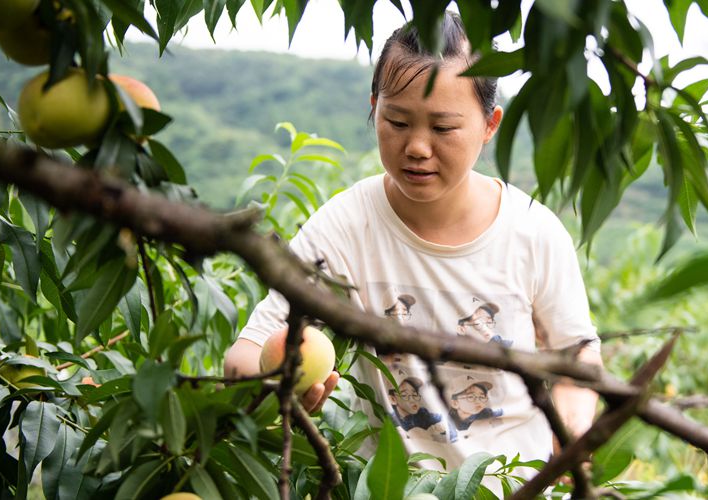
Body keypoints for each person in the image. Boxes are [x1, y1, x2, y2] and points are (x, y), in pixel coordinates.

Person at [223, 11, 602, 479]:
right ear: (374, 107)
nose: (417, 147)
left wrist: (569, 437)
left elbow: (578, 363)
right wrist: (273, 384)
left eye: (442, 128)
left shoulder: (532, 233)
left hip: (510, 487)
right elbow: (248, 352)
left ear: (489, 125)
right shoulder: (346, 226)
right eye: (398, 122)